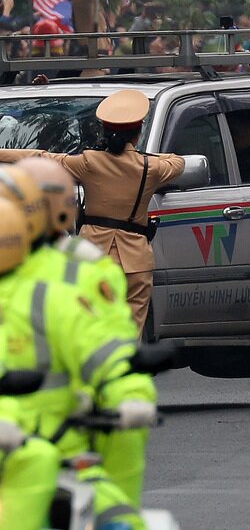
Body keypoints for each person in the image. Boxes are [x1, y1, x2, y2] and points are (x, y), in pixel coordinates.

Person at [0, 196, 158, 530]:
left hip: (54, 448)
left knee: (118, 516)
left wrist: (130, 394)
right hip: (28, 453)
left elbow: (104, 351)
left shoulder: (51, 295)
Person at [0, 89, 185, 330]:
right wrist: (136, 155)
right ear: (138, 134)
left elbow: (41, 156)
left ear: (105, 132)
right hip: (136, 262)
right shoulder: (150, 167)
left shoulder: (89, 162)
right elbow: (177, 162)